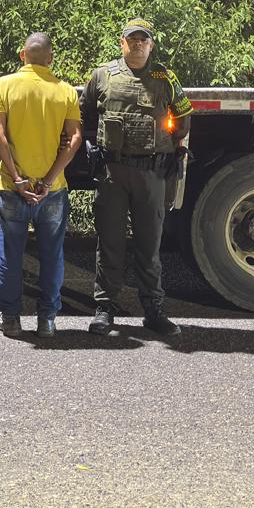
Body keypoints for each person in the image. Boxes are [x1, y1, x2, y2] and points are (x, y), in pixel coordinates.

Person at [81, 18, 192, 336]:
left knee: (149, 246)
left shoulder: (165, 77)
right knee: (110, 243)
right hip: (112, 173)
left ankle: (153, 310)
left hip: (151, 174)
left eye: (144, 40)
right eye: (133, 39)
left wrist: (174, 147)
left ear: (152, 44)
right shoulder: (102, 75)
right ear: (122, 42)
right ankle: (104, 309)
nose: (138, 44)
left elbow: (183, 115)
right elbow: (84, 111)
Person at [0, 32, 83, 338]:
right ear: (50, 59)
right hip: (52, 191)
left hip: (12, 187)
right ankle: (47, 321)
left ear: (22, 55)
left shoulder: (5, 85)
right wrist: (48, 179)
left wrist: (17, 179)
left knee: (10, 255)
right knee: (52, 256)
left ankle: (12, 319)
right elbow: (75, 139)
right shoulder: (65, 91)